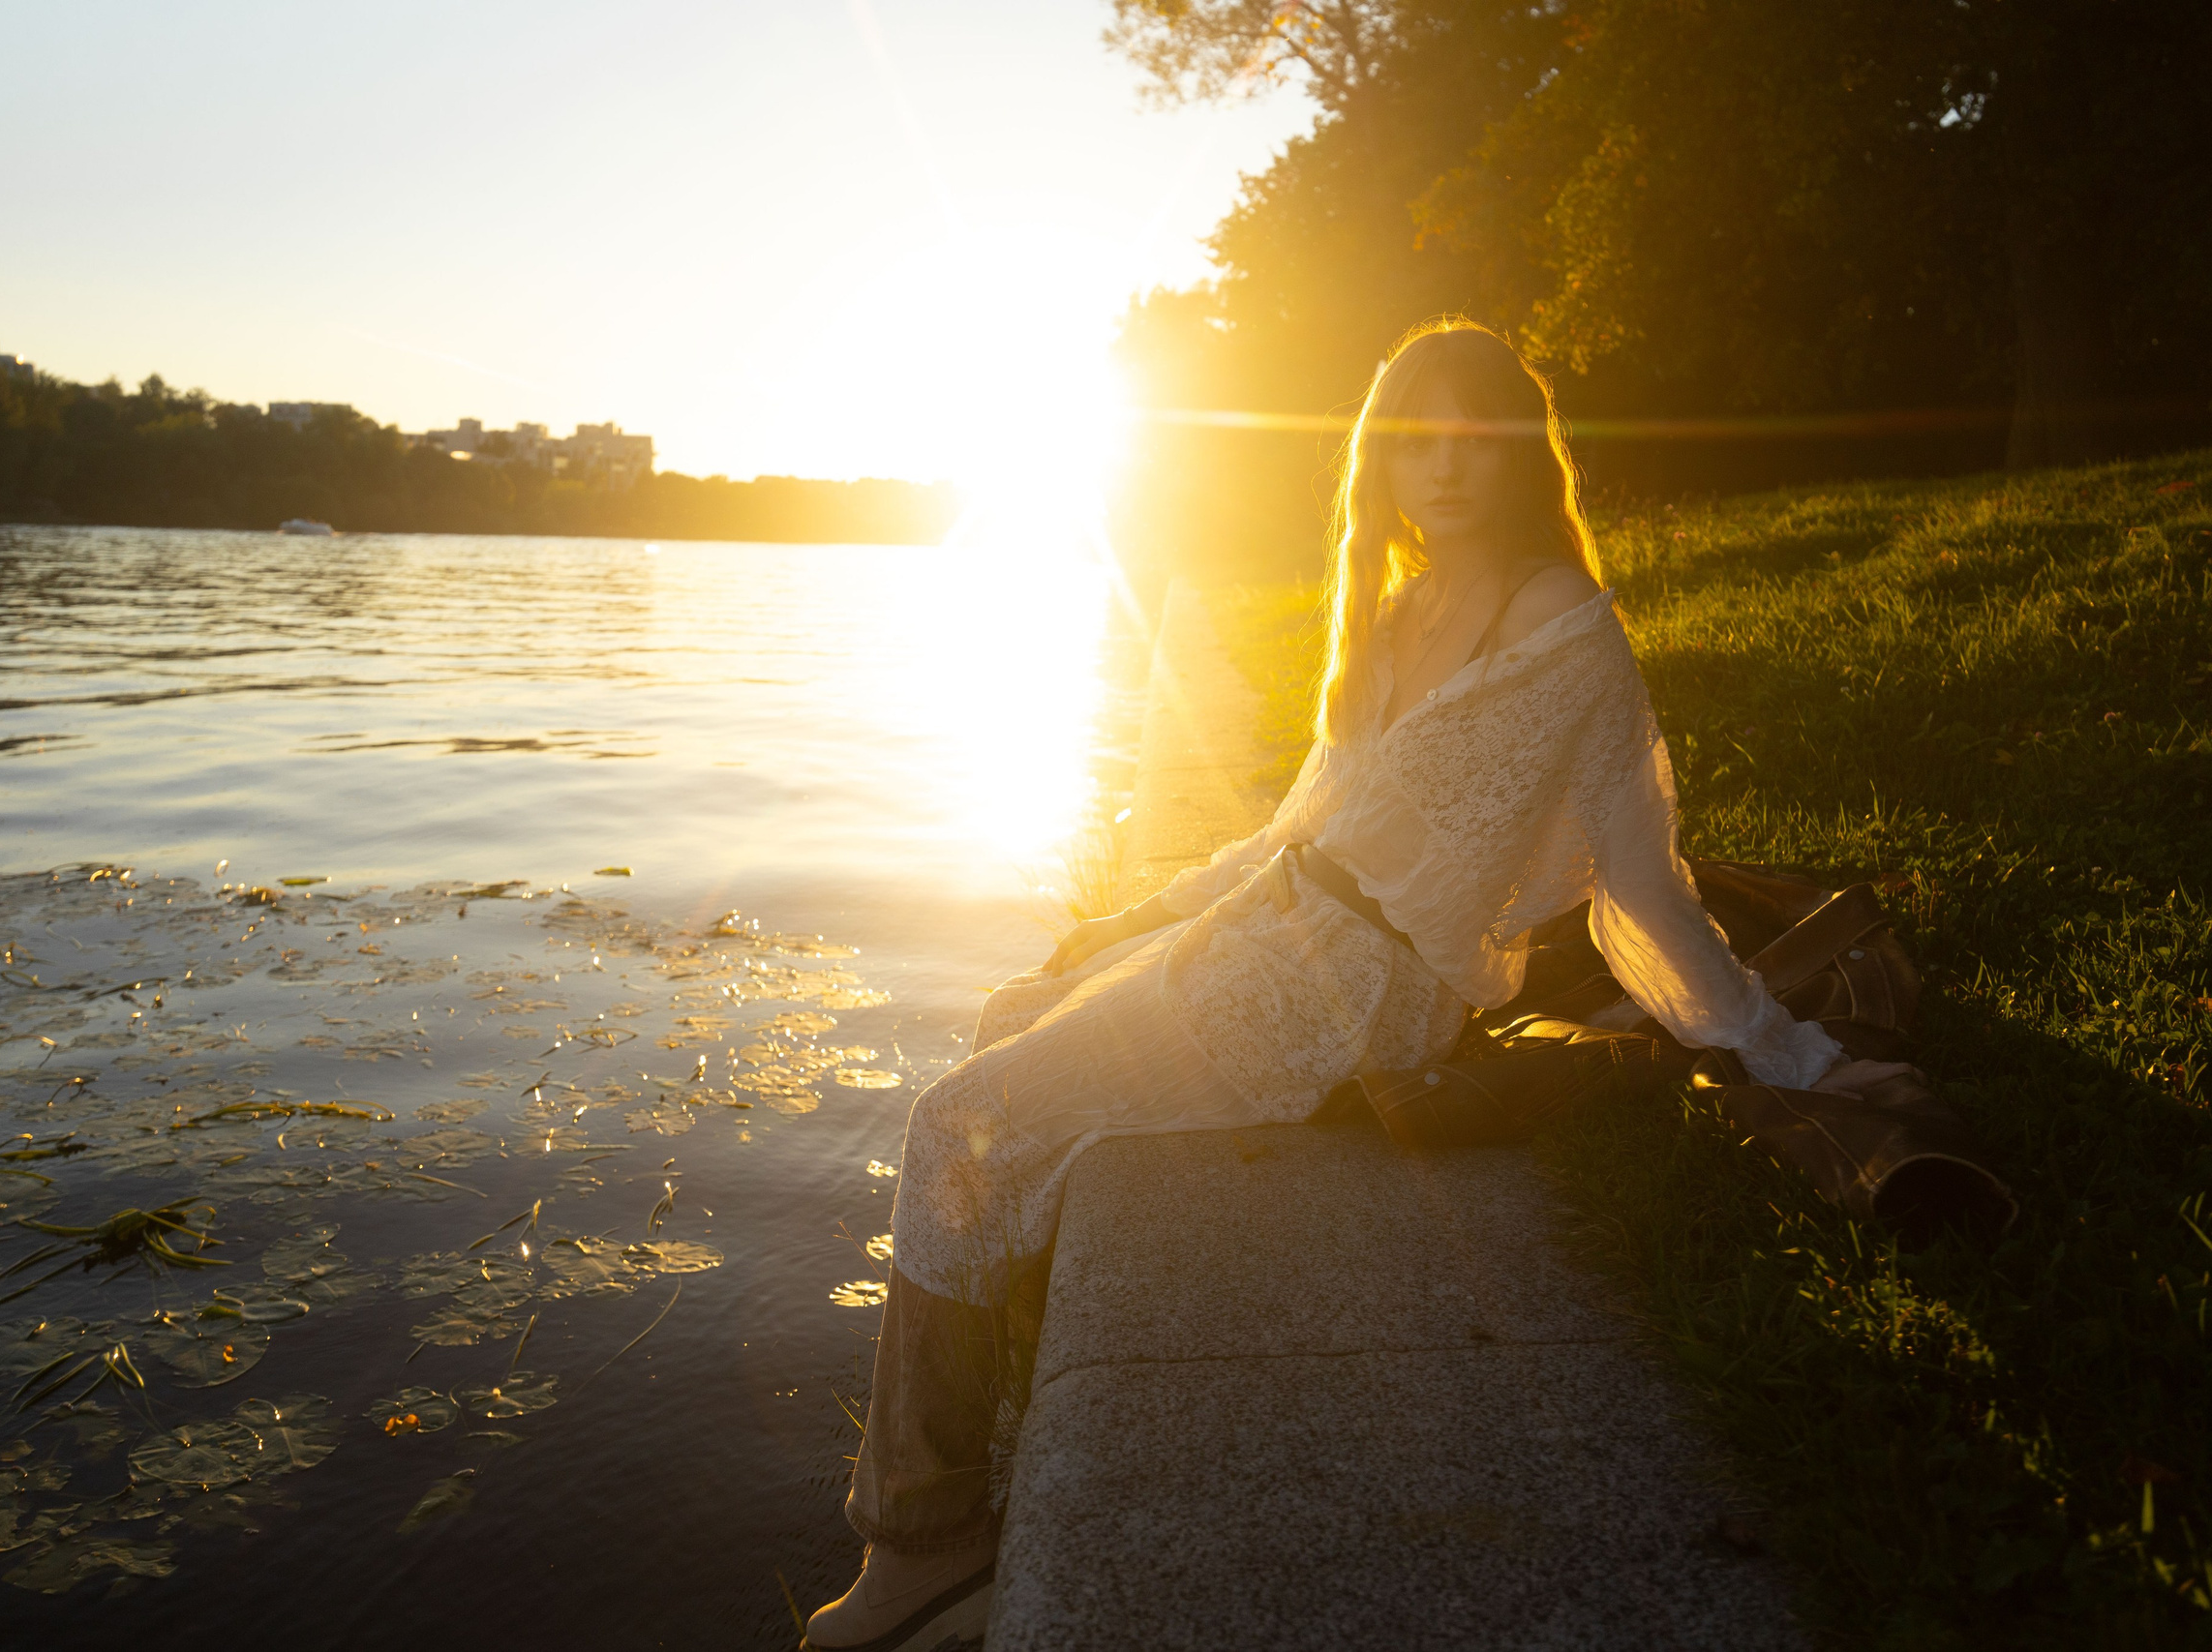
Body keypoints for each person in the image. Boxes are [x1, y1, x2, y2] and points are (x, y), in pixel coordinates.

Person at [801, 317, 1900, 1651]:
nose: (1442, 468)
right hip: (1267, 936)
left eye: (1471, 439)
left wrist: (1784, 1052)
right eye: (1413, 442)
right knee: (1008, 1016)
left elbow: (1642, 880)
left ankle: (922, 1540)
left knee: (954, 1124)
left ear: (1516, 455)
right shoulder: (1390, 612)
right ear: (1378, 462)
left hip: (1341, 992)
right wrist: (1137, 916)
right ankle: (1000, 1434)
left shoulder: (1558, 621)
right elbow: (1294, 838)